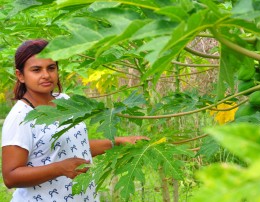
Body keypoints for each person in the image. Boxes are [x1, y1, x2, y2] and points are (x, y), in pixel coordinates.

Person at [1, 39, 149, 202]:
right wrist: (59, 168)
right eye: (36, 70)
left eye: (51, 68)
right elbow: (11, 177)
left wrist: (118, 141)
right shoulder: (20, 117)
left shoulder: (65, 101)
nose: (46, 75)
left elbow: (73, 145)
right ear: (20, 75)